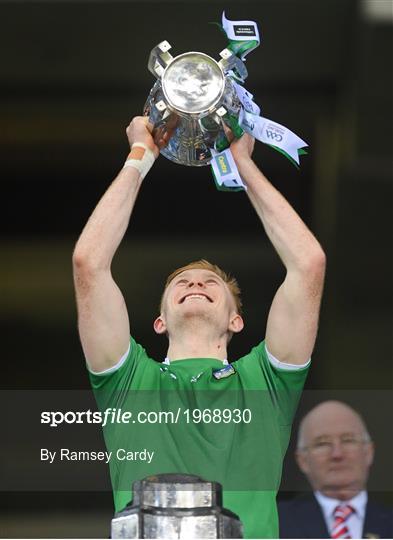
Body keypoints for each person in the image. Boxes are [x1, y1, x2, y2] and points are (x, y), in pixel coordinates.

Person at [72, 116, 326, 538]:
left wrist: (243, 163)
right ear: (158, 321)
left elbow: (308, 264)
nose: (195, 283)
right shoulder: (128, 380)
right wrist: (141, 155)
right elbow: (89, 264)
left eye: (211, 283)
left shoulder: (265, 381)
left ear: (236, 320)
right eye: (182, 282)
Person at [278, 400, 393, 538]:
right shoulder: (275, 522)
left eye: (348, 440)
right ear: (303, 460)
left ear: (369, 452)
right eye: (322, 443)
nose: (337, 454)